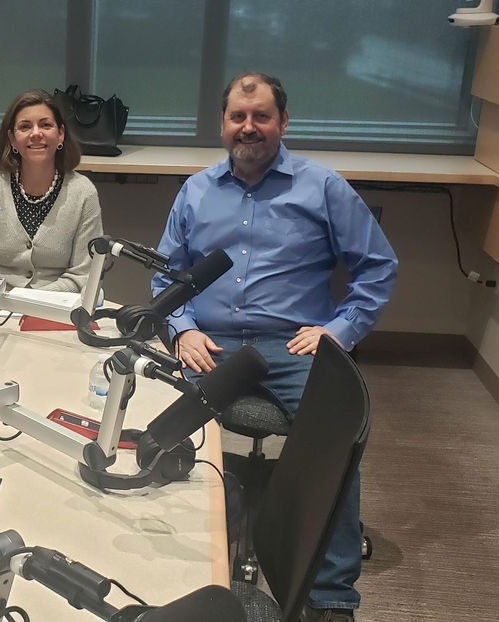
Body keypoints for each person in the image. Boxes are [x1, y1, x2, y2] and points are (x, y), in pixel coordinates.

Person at [152, 73, 397, 622]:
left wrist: (340, 329)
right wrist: (183, 328)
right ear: (224, 124)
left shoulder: (323, 186)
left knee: (333, 440)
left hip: (293, 344)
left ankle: (331, 597)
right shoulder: (196, 190)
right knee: (163, 429)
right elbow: (165, 277)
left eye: (261, 116)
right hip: (209, 344)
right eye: (238, 117)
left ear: (283, 123)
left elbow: (378, 267)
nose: (249, 127)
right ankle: (184, 564)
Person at [0, 89, 104, 293]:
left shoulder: (83, 193)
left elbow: (84, 274)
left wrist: (33, 303)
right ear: (13, 139)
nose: (36, 133)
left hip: (54, 309)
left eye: (45, 125)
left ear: (61, 134)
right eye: (25, 126)